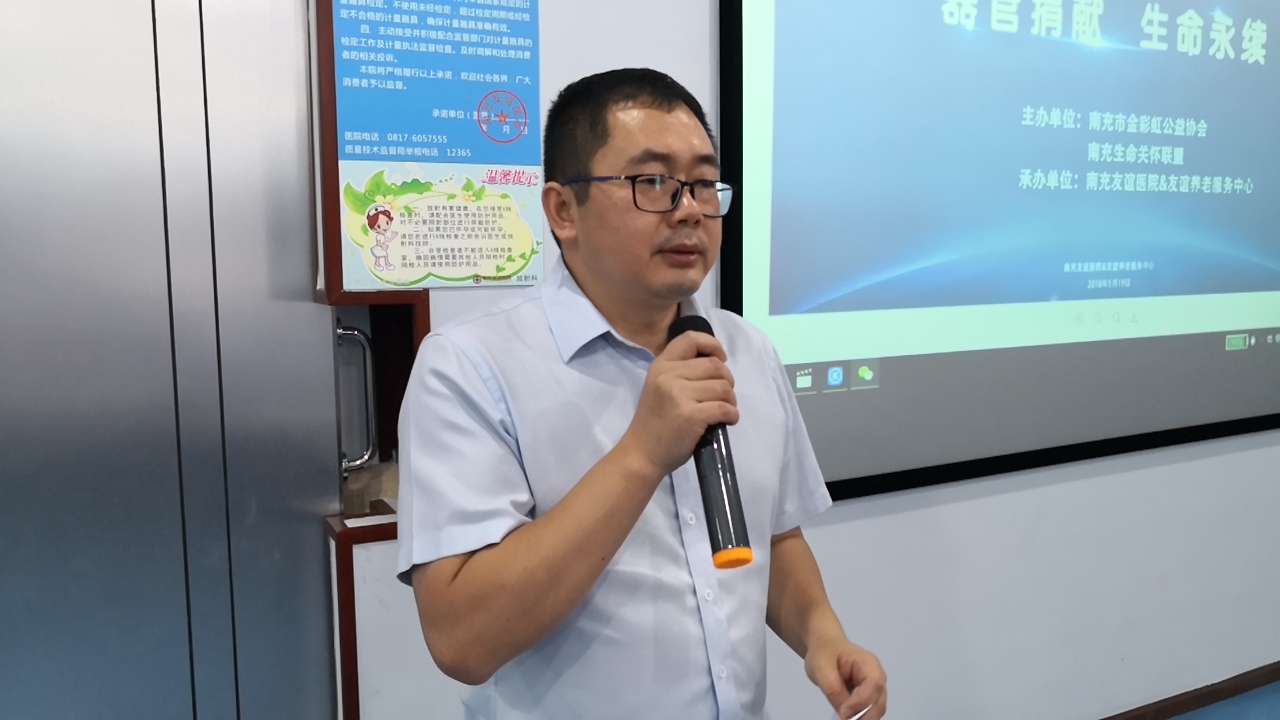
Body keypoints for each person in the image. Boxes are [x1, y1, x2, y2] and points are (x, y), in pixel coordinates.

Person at [397, 68, 887, 720]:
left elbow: (776, 535)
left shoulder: (747, 350)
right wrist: (642, 454)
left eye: (704, 183)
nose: (689, 209)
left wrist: (821, 633)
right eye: (652, 181)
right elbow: (461, 640)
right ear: (562, 211)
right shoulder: (468, 366)